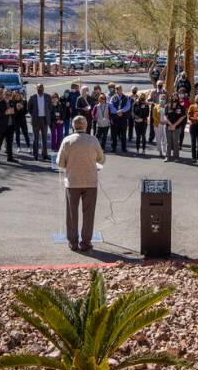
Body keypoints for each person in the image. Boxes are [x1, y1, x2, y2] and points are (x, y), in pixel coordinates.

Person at [57, 115, 105, 252]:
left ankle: (73, 242)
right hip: (90, 181)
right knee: (89, 213)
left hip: (72, 182)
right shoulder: (93, 140)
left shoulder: (67, 140)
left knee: (72, 213)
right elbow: (101, 159)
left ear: (73, 126)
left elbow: (60, 163)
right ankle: (86, 242)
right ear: (86, 126)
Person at [27, 83, 52, 161]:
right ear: (36, 89)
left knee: (44, 138)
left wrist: (46, 114)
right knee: (36, 138)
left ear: (43, 88)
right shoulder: (32, 97)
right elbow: (29, 109)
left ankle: (45, 154)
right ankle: (35, 155)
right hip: (36, 120)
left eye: (41, 88)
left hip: (44, 119)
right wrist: (34, 115)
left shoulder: (47, 97)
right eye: (38, 88)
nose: (40, 89)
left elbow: (50, 108)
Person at [0, 87, 16, 164]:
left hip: (10, 126)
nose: (8, 95)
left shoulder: (12, 102)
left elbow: (14, 113)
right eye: (6, 94)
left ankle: (10, 157)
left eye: (9, 94)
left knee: (9, 142)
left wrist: (14, 112)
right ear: (3, 94)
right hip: (1, 126)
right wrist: (4, 113)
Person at [109, 85, 132, 153]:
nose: (118, 90)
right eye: (116, 89)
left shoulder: (126, 97)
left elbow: (128, 106)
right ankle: (113, 148)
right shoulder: (113, 97)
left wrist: (121, 111)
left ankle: (124, 148)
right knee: (114, 134)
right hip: (115, 118)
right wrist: (117, 112)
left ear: (121, 89)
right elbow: (111, 106)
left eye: (119, 89)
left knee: (123, 134)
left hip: (123, 118)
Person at [164, 93, 186, 161]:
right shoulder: (167, 106)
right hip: (168, 126)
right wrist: (171, 124)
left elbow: (182, 117)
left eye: (176, 97)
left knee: (176, 142)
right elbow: (165, 116)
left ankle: (176, 157)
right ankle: (167, 156)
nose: (175, 98)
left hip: (177, 127)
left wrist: (175, 125)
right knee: (168, 142)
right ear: (171, 97)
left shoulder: (181, 107)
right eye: (173, 96)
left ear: (178, 98)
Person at [152, 94, 168, 159]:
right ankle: (160, 151)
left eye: (164, 99)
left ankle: (165, 151)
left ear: (165, 100)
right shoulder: (156, 107)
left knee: (165, 139)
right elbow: (154, 116)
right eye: (161, 98)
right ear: (159, 99)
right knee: (158, 139)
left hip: (165, 125)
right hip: (157, 124)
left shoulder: (167, 107)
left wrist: (166, 122)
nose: (162, 100)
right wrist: (159, 121)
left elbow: (169, 115)